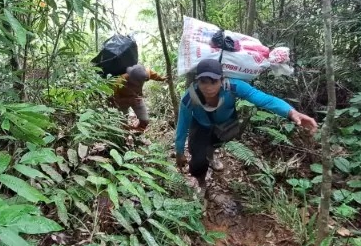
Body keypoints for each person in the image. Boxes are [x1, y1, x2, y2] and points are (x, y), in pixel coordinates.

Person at [175, 58, 318, 190]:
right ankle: (201, 182)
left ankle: (211, 156)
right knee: (198, 161)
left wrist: (291, 112)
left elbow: (265, 99)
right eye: (203, 82)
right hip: (200, 125)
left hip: (225, 123)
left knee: (215, 143)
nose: (208, 87)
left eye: (213, 82)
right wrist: (179, 152)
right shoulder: (189, 98)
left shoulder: (233, 86)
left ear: (222, 80)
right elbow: (182, 126)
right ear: (197, 81)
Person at [111, 64, 167, 132]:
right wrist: (128, 100)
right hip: (122, 102)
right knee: (122, 123)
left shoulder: (145, 74)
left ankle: (136, 131)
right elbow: (113, 99)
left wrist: (162, 79)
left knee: (145, 121)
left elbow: (154, 75)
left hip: (136, 98)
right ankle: (126, 133)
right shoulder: (119, 81)